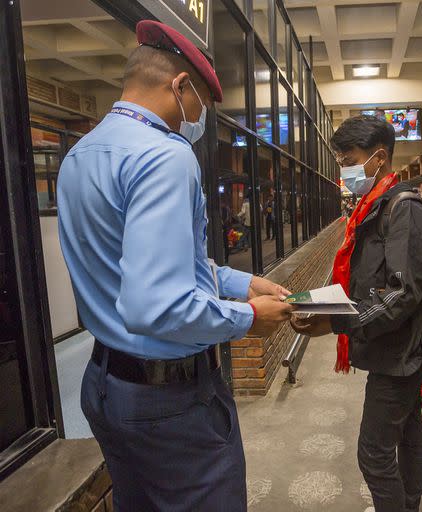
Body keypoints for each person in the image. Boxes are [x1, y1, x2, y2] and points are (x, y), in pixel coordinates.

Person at [56, 21, 294, 512]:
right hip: (169, 403)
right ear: (180, 87)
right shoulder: (165, 156)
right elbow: (158, 305)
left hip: (106, 384)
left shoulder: (80, 155)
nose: (200, 118)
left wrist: (242, 280)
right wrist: (249, 318)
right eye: (202, 104)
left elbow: (164, 265)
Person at [290, 115, 422, 512]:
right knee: (407, 431)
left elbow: (404, 292)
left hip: (401, 355)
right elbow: (371, 280)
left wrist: (337, 321)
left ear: (378, 158)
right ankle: (408, 503)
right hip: (392, 348)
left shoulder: (403, 210)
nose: (344, 170)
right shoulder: (374, 206)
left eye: (348, 161)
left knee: (373, 454)